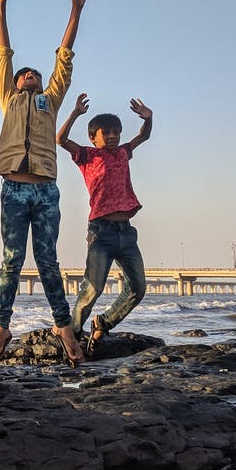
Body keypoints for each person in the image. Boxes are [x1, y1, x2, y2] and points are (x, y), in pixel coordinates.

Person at [0, 0, 87, 366]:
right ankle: (1, 327)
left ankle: (63, 327)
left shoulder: (50, 100)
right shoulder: (8, 98)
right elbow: (3, 54)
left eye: (34, 75)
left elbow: (64, 58)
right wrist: (0, 7)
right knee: (11, 261)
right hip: (13, 188)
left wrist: (75, 9)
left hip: (45, 192)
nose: (28, 75)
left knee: (47, 261)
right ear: (13, 83)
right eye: (22, 74)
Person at [58, 93, 153, 356]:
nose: (113, 136)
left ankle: (104, 323)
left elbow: (143, 137)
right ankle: (73, 334)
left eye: (116, 132)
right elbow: (61, 140)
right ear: (93, 137)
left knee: (138, 288)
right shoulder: (87, 156)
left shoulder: (123, 152)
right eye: (106, 132)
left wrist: (149, 118)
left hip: (127, 234)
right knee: (93, 287)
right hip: (101, 232)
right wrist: (76, 113)